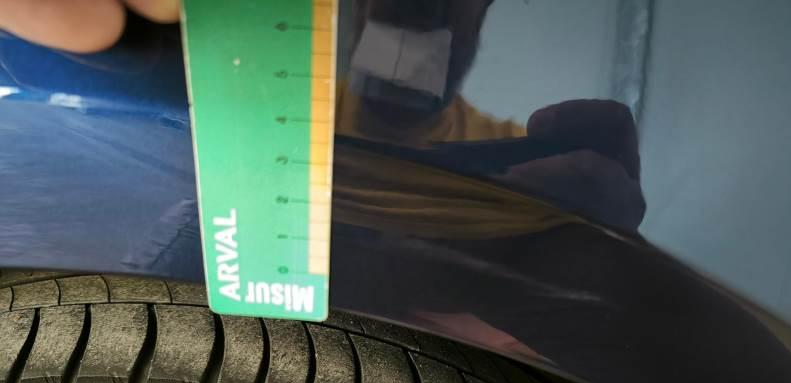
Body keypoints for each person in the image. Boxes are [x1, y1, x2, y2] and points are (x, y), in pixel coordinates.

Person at [0, 0, 644, 229]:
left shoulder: (528, 166)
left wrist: (587, 233)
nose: (415, 18)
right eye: (398, 9)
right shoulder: (250, 88)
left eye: (437, 8)